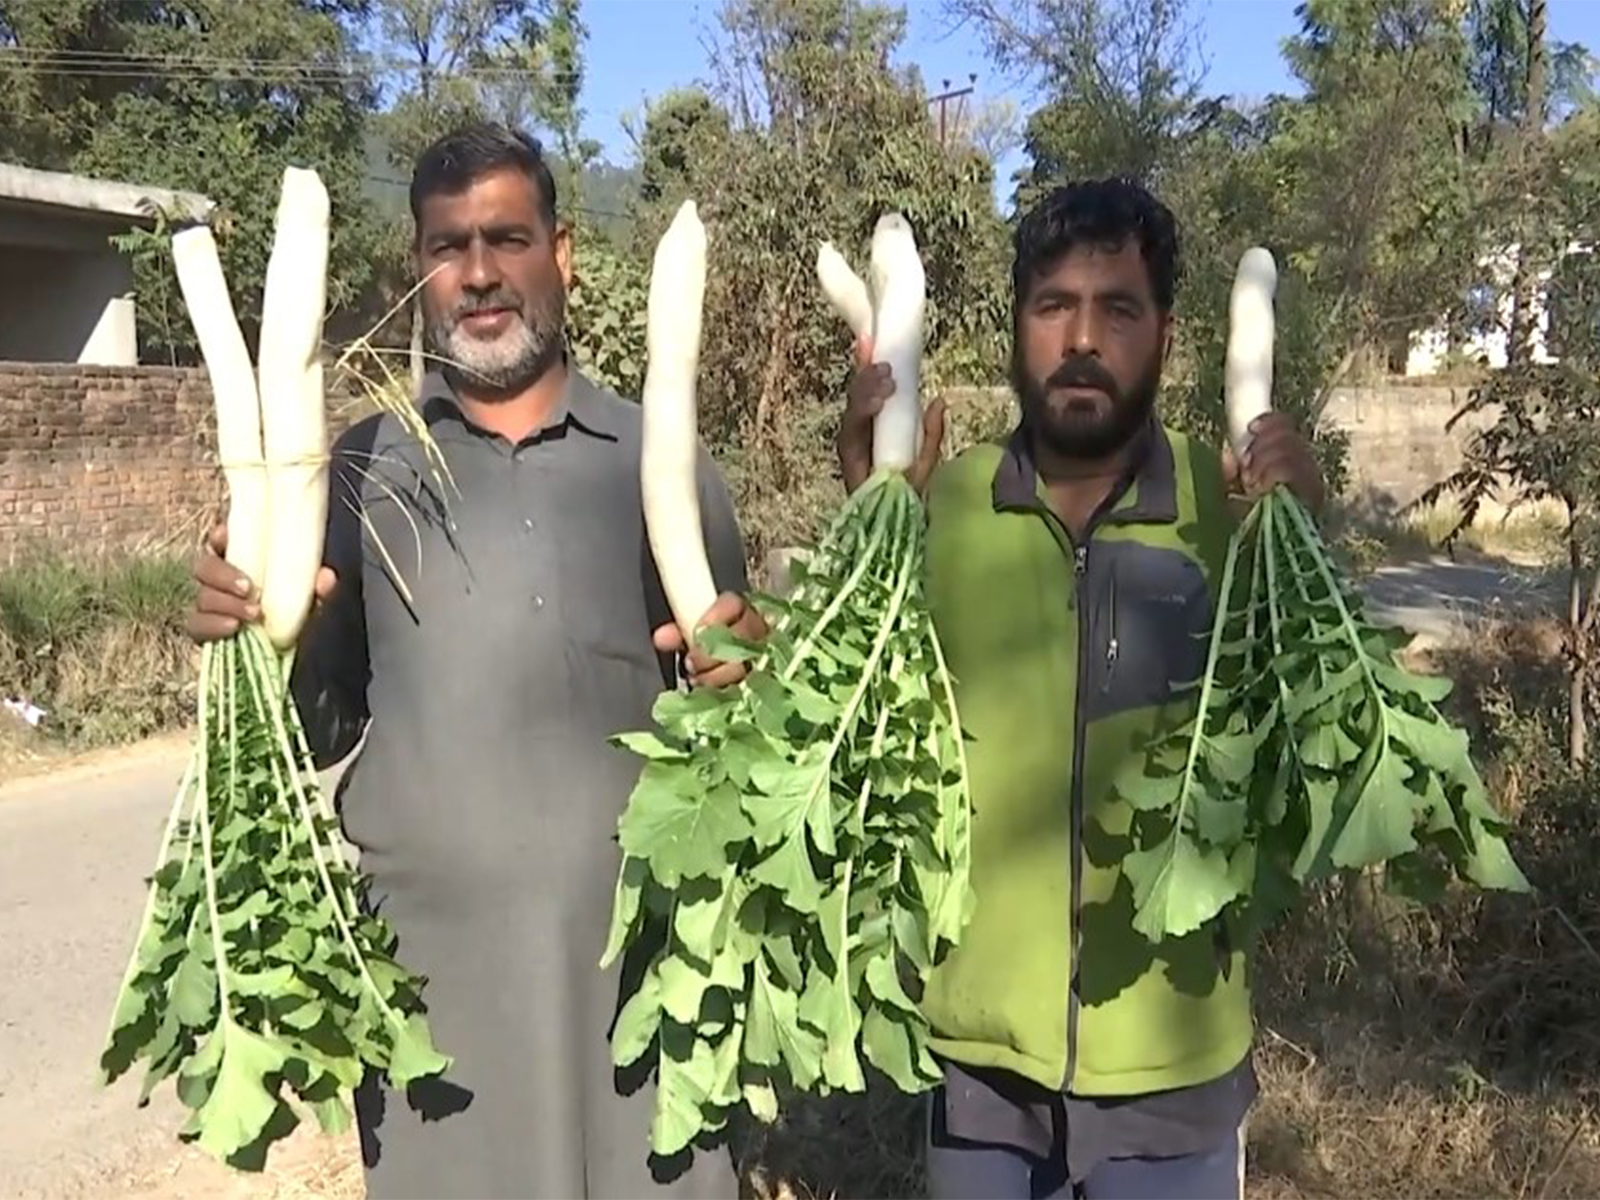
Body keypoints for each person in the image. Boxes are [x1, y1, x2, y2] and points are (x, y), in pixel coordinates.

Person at [184, 122, 762, 1200]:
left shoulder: (661, 461)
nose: (481, 272)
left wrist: (747, 670)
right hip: (432, 1013)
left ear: (564, 252)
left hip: (635, 994)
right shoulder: (351, 466)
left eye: (508, 237)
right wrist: (248, 635)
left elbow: (733, 711)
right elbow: (314, 726)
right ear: (418, 269)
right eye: (450, 246)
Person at [839, 178, 1326, 1200]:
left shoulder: (1230, 508)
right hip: (979, 1067)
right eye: (1053, 305)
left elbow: (1304, 745)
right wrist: (864, 515)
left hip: (1172, 1074)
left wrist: (1303, 533)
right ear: (1016, 325)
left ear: (1166, 334)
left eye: (1119, 308)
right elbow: (863, 720)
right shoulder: (942, 504)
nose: (1082, 338)